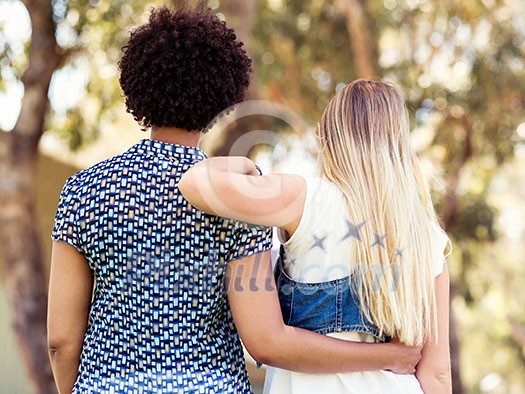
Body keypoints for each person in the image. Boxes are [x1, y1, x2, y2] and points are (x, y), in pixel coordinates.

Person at [47, 4, 422, 393]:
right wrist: (387, 356)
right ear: (220, 97)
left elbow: (60, 340)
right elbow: (265, 340)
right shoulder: (237, 199)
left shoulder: (84, 190)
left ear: (138, 83)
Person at [179, 79, 452, 393]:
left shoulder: (307, 199)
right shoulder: (427, 237)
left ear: (332, 139)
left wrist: (246, 167)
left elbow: (194, 183)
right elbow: (437, 374)